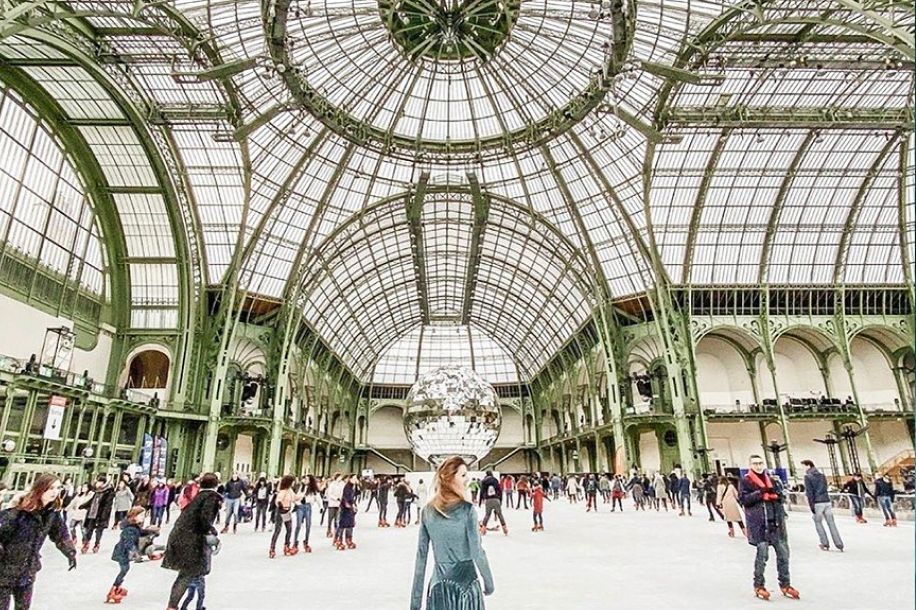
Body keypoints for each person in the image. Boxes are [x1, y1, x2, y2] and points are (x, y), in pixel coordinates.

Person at [410, 456, 494, 610]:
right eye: (463, 475)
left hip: (439, 587)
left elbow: (421, 557)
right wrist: (489, 583)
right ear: (449, 479)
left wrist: (415, 603)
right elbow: (477, 551)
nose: (467, 479)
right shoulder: (467, 510)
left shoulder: (427, 511)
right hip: (467, 588)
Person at [0, 473, 77, 609]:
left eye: (58, 488)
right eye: (51, 488)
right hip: (4, 571)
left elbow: (60, 534)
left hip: (28, 571)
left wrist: (70, 552)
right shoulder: (18, 511)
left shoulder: (52, 514)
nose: (55, 492)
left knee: (23, 607)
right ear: (40, 488)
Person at [738, 455, 799, 601]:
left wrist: (776, 496)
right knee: (762, 556)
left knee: (784, 555)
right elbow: (743, 500)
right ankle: (759, 585)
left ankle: (785, 584)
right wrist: (760, 494)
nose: (758, 466)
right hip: (759, 524)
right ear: (750, 465)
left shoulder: (772, 479)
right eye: (755, 464)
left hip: (776, 523)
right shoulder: (746, 481)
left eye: (760, 463)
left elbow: (782, 496)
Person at [162, 473, 222, 610]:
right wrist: (211, 531)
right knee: (187, 574)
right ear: (216, 484)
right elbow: (204, 518)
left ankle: (176, 605)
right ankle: (174, 606)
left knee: (184, 574)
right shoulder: (211, 497)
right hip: (191, 540)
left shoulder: (199, 497)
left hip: (179, 536)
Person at [107, 506, 159, 603]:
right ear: (134, 516)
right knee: (124, 569)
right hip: (122, 552)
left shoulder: (134, 527)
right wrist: (134, 552)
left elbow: (139, 533)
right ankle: (113, 589)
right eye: (141, 515)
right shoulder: (129, 529)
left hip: (124, 552)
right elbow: (129, 542)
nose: (143, 517)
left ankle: (117, 587)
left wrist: (150, 531)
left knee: (125, 569)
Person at [800, 460, 844, 551]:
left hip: (817, 502)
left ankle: (824, 543)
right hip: (826, 501)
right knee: (831, 523)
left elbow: (810, 492)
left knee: (818, 523)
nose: (802, 468)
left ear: (808, 466)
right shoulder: (822, 475)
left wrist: (811, 506)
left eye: (803, 466)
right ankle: (839, 543)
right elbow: (825, 487)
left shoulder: (807, 477)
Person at [81, 476, 115, 554]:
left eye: (99, 482)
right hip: (92, 514)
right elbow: (92, 501)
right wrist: (83, 505)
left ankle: (97, 544)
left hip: (101, 515)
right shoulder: (97, 491)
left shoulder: (108, 492)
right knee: (89, 529)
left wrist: (103, 516)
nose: (97, 483)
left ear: (103, 483)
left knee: (99, 531)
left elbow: (107, 505)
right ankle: (86, 543)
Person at [269, 475, 300, 558]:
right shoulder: (283, 491)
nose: (294, 483)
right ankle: (272, 548)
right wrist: (280, 505)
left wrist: (303, 496)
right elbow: (278, 500)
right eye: (293, 481)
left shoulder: (290, 491)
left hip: (287, 511)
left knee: (289, 529)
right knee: (277, 530)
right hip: (281, 511)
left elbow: (294, 498)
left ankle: (286, 546)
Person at [295, 475, 320, 552]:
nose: (305, 480)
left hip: (308, 506)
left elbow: (318, 497)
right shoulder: (301, 487)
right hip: (300, 506)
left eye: (306, 479)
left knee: (308, 525)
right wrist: (298, 502)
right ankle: (295, 543)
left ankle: (306, 542)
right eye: (304, 479)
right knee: (298, 525)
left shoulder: (313, 489)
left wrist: (321, 506)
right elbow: (296, 496)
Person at [478, 470, 507, 536]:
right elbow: (500, 490)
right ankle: (505, 529)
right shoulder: (495, 480)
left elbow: (481, 492)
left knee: (487, 515)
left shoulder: (484, 481)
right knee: (500, 514)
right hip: (496, 499)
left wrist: (480, 501)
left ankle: (483, 530)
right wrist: (500, 500)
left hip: (488, 500)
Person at [335, 474, 358, 550]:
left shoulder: (352, 487)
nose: (356, 480)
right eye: (354, 478)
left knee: (350, 524)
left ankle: (349, 539)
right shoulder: (347, 487)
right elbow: (344, 498)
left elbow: (353, 497)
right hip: (345, 508)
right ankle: (339, 540)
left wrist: (354, 505)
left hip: (350, 508)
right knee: (343, 524)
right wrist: (348, 505)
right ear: (350, 479)